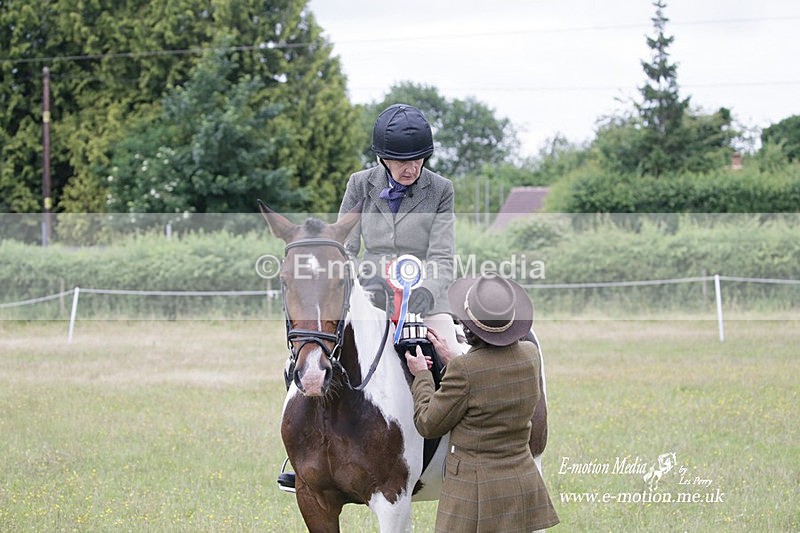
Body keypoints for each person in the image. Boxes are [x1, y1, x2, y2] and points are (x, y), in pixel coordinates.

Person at [405, 273, 560, 532]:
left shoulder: (465, 371)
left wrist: (422, 375)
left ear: (467, 327)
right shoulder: (531, 355)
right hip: (520, 483)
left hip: (473, 496)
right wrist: (454, 360)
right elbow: (489, 379)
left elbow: (427, 423)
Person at [338, 103, 460, 354]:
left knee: (450, 355)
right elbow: (345, 249)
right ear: (383, 159)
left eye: (419, 160)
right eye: (403, 161)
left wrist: (427, 290)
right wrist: (360, 279)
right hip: (371, 293)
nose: (413, 168)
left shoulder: (441, 189)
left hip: (426, 298)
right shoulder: (359, 184)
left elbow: (442, 256)